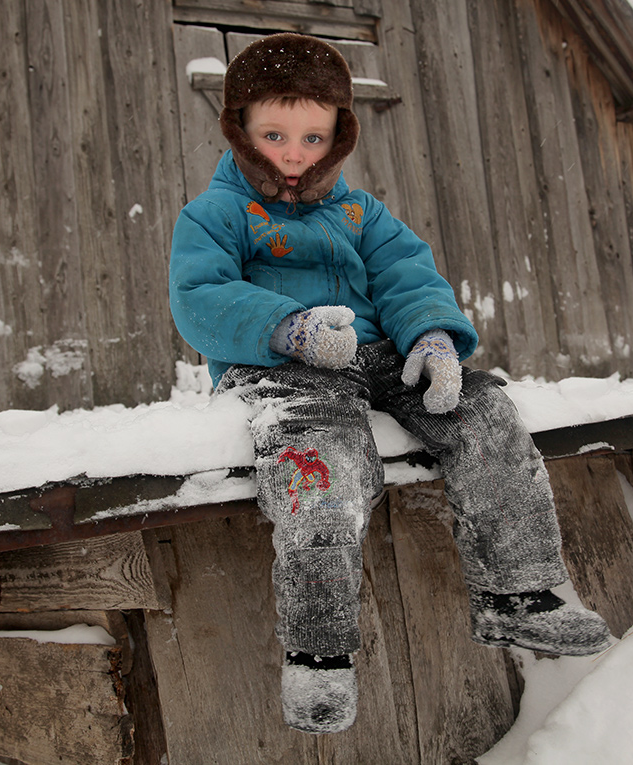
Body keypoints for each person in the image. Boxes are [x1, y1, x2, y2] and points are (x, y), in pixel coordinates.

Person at [168, 33, 610, 735]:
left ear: (339, 134)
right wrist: (290, 326)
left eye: (313, 136)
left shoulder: (360, 213)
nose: (293, 151)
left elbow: (407, 275)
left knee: (484, 410)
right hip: (287, 369)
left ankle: (519, 590)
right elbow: (200, 295)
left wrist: (432, 336)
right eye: (275, 133)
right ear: (241, 130)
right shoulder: (219, 215)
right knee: (323, 474)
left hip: (377, 356)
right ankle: (320, 650)